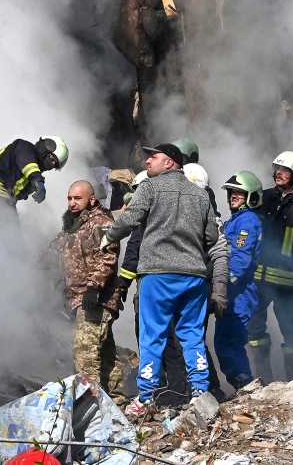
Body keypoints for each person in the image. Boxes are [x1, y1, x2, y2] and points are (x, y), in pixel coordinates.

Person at [101, 141, 224, 419]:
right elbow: (212, 237)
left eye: (153, 157)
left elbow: (129, 220)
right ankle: (200, 392)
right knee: (192, 336)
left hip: (158, 276)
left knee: (152, 336)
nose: (147, 161)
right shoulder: (200, 195)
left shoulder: (150, 188)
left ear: (169, 162)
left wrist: (108, 237)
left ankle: (145, 397)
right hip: (193, 277)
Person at [47, 180, 126, 404]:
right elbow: (50, 253)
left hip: (96, 298)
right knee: (106, 353)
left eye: (77, 198)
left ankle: (91, 405)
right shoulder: (74, 226)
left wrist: (93, 287)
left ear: (91, 199)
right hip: (79, 299)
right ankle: (117, 401)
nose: (72, 203)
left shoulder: (102, 221)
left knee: (85, 352)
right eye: (69, 198)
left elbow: (108, 256)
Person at [247, 150, 293, 382]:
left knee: (291, 334)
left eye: (285, 170)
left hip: (290, 286)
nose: (279, 173)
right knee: (254, 330)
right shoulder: (261, 199)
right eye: (277, 169)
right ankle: (262, 378)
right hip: (259, 281)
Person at [213, 171, 264, 391]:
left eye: (240, 193)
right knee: (224, 340)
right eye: (231, 192)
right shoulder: (234, 220)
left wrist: (221, 286)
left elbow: (240, 261)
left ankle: (246, 385)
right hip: (233, 291)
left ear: (251, 196)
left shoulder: (247, 221)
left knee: (230, 340)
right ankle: (242, 385)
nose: (233, 196)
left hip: (240, 292)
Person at [0, 136, 68, 230]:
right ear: (46, 147)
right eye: (52, 158)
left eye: (55, 165)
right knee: (12, 238)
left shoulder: (26, 175)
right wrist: (37, 180)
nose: (52, 164)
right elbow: (26, 160)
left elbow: (16, 194)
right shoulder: (24, 146)